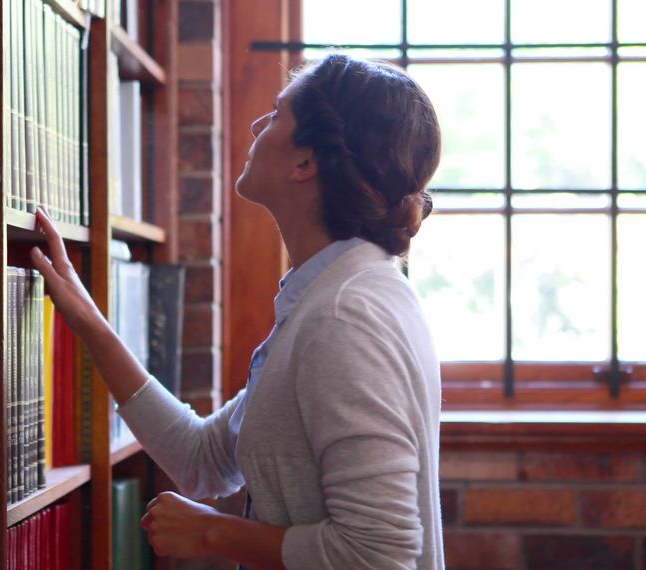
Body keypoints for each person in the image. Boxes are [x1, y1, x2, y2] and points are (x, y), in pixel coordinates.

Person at [31, 53, 443, 570]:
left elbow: (379, 557)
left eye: (276, 114)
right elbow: (203, 461)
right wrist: (88, 320)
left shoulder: (344, 317)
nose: (256, 125)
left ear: (306, 163)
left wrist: (210, 534)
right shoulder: (334, 296)